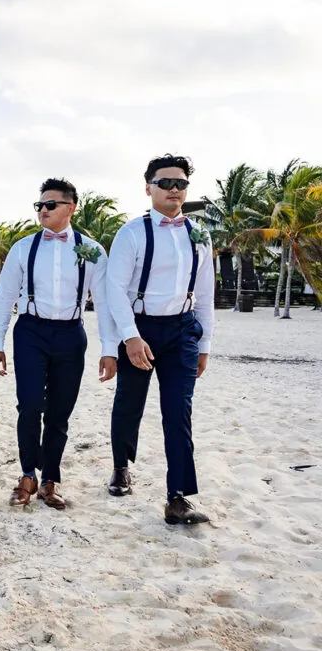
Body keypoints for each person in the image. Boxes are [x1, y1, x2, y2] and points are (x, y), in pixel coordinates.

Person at [0, 178, 117, 509]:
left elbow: (103, 303)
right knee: (29, 405)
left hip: (71, 334)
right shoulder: (23, 248)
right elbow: (3, 298)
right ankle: (28, 474)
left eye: (50, 205)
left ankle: (50, 480)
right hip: (30, 331)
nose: (42, 210)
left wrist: (108, 349)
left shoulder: (93, 251)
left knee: (60, 412)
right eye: (39, 205)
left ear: (71, 208)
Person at [106, 154, 214, 525]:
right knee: (129, 403)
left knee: (178, 411)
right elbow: (114, 289)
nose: (173, 189)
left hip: (183, 330)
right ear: (148, 187)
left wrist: (205, 346)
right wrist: (131, 338)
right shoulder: (132, 232)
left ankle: (178, 496)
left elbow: (205, 292)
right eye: (165, 183)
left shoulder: (199, 235)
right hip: (141, 328)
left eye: (180, 183)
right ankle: (121, 466)